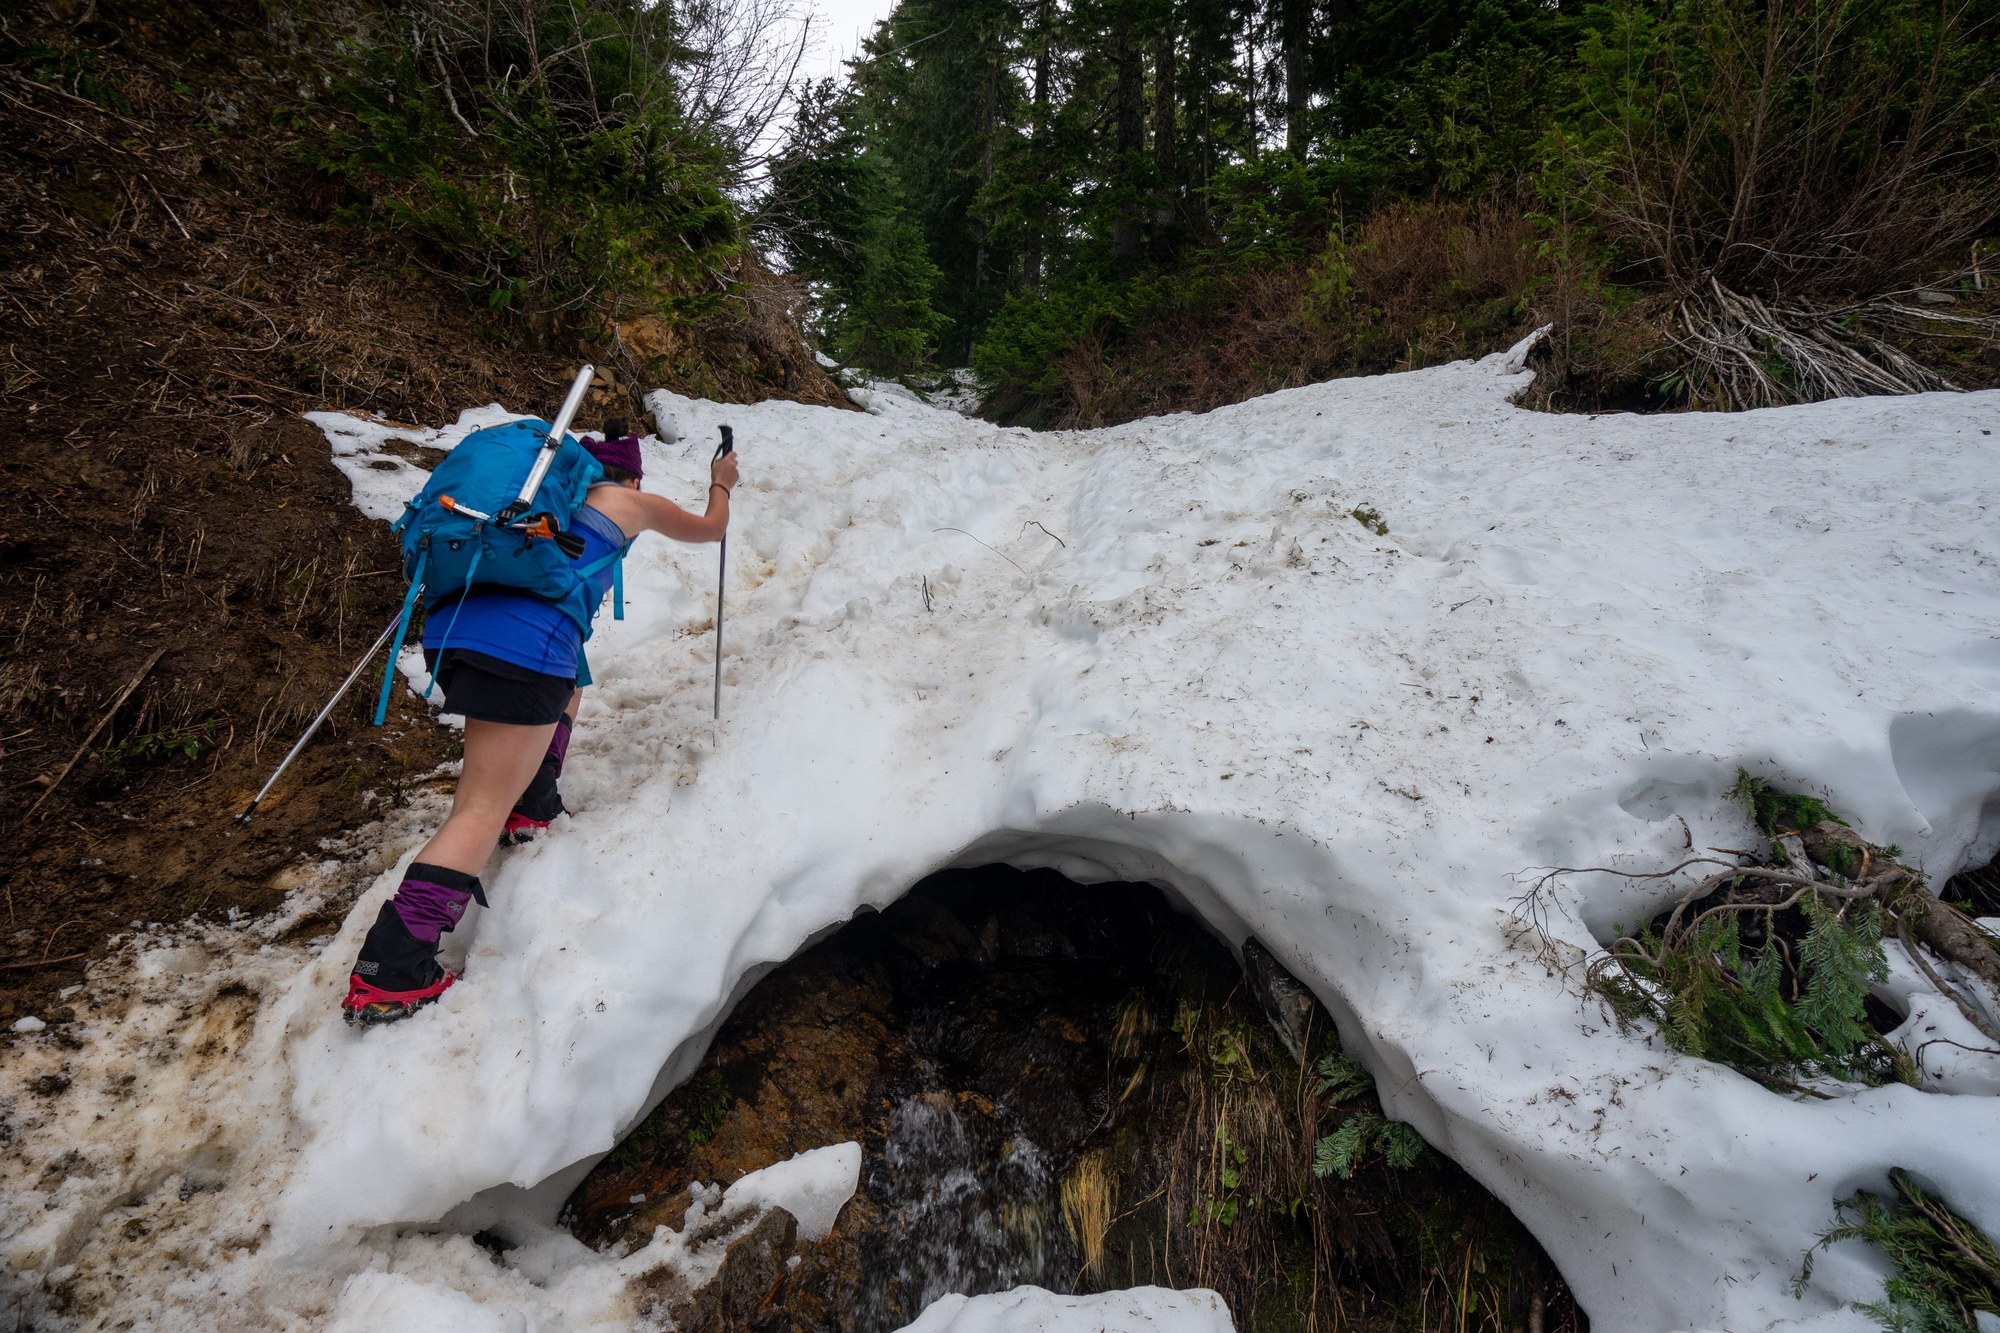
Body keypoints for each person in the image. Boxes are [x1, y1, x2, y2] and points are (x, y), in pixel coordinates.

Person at [342, 418, 740, 1024]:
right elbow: (713, 529)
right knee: (478, 808)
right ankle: (392, 970)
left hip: (457, 635)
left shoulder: (531, 509)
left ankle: (534, 799)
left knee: (572, 681)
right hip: (525, 650)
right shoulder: (627, 501)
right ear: (630, 472)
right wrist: (722, 482)